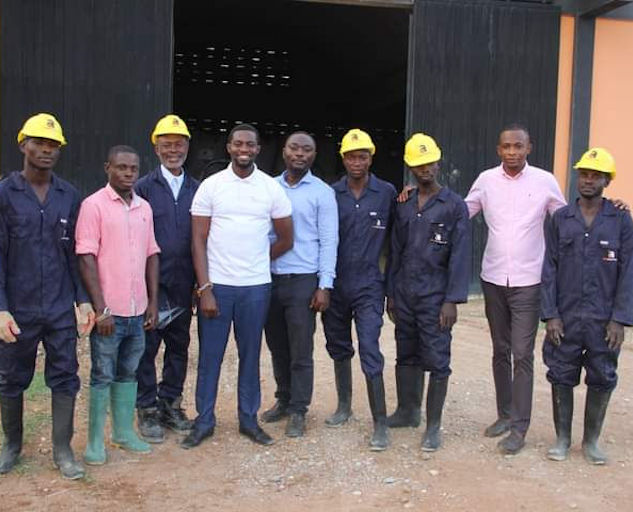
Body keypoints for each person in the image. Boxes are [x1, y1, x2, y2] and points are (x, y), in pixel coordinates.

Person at [183, 123, 293, 449]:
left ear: (258, 149)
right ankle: (204, 422)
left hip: (256, 288)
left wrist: (259, 258)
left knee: (250, 354)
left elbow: (286, 238)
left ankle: (249, 420)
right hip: (218, 287)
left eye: (250, 144)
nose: (244, 149)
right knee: (210, 357)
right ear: (228, 147)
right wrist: (205, 289)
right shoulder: (211, 186)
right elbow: (198, 241)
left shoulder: (270, 188)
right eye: (238, 143)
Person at [0, 113, 94, 479]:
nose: (46, 150)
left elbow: (73, 254)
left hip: (57, 308)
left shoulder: (68, 195)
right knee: (10, 378)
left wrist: (82, 299)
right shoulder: (6, 194)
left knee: (65, 376)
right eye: (39, 143)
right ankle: (11, 446)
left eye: (53, 145)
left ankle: (62, 450)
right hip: (18, 308)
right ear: (23, 144)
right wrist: (1, 308)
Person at [541, 148, 633, 465]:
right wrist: (550, 314)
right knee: (561, 374)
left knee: (602, 375)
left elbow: (628, 273)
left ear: (607, 181)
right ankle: (563, 439)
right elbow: (549, 268)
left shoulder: (620, 220)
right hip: (565, 317)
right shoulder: (560, 219)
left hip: (603, 319)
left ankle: (591, 441)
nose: (588, 180)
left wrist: (619, 319)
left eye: (595, 175)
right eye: (584, 174)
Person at [76, 145, 160, 465]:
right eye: (121, 167)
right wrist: (101, 309)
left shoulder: (144, 208)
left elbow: (152, 254)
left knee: (129, 371)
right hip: (109, 314)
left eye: (133, 169)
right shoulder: (93, 205)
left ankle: (123, 432)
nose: (128, 173)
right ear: (107, 167)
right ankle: (95, 441)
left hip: (138, 311)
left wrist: (152, 302)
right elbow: (86, 257)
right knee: (102, 374)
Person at [386, 133, 470, 451]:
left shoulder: (454, 205)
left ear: (438, 161)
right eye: (419, 164)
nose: (426, 169)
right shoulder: (403, 204)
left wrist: (452, 300)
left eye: (430, 162)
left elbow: (461, 256)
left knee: (436, 358)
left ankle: (433, 426)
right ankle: (408, 411)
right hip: (405, 292)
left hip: (435, 296)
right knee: (406, 353)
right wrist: (391, 292)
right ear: (410, 166)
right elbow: (395, 250)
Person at [322, 128, 396, 451]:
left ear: (371, 158)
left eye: (362, 156)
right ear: (343, 158)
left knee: (369, 346)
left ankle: (380, 424)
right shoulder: (330, 193)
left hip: (368, 284)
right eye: (351, 156)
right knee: (338, 345)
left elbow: (399, 235)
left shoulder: (387, 193)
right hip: (336, 284)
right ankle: (344, 406)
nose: (357, 161)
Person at [261, 132, 338, 438]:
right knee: (277, 345)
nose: (300, 154)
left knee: (301, 348)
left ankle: (298, 410)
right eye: (294, 148)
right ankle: (283, 399)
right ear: (284, 151)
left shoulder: (322, 193)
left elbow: (330, 241)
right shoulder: (267, 187)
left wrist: (325, 285)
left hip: (303, 280)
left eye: (307, 150)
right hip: (268, 278)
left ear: (313, 155)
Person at [135, 115, 199, 443]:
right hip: (152, 286)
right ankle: (146, 408)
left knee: (179, 345)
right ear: (156, 147)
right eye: (166, 144)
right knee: (147, 348)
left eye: (179, 144)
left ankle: (170, 403)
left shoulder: (197, 189)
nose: (173, 150)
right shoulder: (143, 188)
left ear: (187, 146)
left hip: (183, 284)